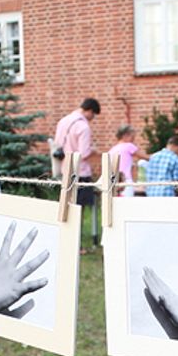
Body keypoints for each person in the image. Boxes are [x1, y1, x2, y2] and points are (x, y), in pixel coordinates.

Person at [54, 97, 100, 246]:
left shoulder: (64, 121)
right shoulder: (83, 127)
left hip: (64, 169)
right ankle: (77, 243)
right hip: (80, 171)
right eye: (94, 115)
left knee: (66, 207)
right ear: (90, 111)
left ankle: (65, 240)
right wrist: (96, 152)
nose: (93, 119)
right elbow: (84, 153)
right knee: (79, 209)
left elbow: (57, 144)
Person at [112, 125, 146, 197]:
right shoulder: (129, 146)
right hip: (125, 181)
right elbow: (146, 157)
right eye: (132, 137)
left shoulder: (113, 149)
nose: (133, 140)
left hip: (113, 180)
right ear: (125, 135)